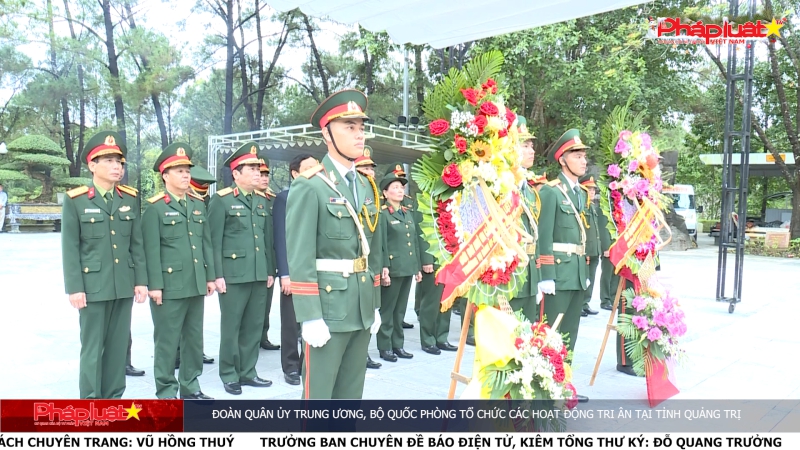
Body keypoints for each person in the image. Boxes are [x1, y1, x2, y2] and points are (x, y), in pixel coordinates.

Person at [285, 89, 383, 399]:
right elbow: (300, 255)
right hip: (328, 309)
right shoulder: (310, 185)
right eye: (349, 127)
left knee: (350, 398)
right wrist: (310, 315)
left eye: (361, 127)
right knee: (318, 399)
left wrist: (375, 302)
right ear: (327, 134)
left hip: (361, 306)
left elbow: (371, 249)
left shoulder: (365, 185)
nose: (359, 134)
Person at [61, 131, 147, 398]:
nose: (116, 167)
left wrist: (141, 281)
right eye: (108, 161)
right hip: (93, 287)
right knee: (93, 347)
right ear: (92, 165)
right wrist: (75, 288)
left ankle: (113, 400)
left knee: (118, 347)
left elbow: (136, 244)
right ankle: (90, 403)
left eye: (119, 162)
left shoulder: (129, 198)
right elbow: (70, 248)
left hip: (123, 285)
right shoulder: (76, 200)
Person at [142, 143, 216, 399]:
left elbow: (205, 243)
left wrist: (209, 276)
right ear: (165, 175)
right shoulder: (155, 208)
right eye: (179, 171)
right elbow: (150, 250)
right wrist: (154, 285)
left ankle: (190, 386)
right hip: (169, 286)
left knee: (194, 339)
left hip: (195, 282)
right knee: (167, 340)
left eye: (187, 171)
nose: (186, 175)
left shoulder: (197, 204)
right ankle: (165, 391)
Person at [208, 141, 275, 395]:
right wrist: (217, 275)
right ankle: (229, 374)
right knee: (232, 327)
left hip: (258, 273)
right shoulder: (222, 200)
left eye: (259, 169)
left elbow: (267, 240)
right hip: (233, 276)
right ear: (236, 174)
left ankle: (248, 371)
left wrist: (269, 270)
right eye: (252, 169)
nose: (258, 173)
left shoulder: (262, 200)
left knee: (254, 326)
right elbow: (213, 241)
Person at [537, 128, 590, 403]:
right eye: (577, 156)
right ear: (562, 160)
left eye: (584, 156)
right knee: (551, 334)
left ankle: (563, 383)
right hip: (558, 273)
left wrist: (585, 271)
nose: (583, 161)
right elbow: (543, 235)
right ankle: (546, 387)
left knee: (570, 333)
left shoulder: (580, 193)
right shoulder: (551, 192)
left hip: (577, 273)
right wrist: (546, 274)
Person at [274, 153, 318, 385]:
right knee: (291, 322)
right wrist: (285, 274)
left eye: (316, 166)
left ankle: (307, 363)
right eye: (308, 167)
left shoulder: (322, 194)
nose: (315, 171)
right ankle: (291, 366)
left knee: (314, 319)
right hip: (294, 271)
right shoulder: (285, 198)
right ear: (295, 173)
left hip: (317, 270)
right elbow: (281, 237)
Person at [377, 171, 421, 362]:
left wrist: (417, 267)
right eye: (395, 187)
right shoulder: (383, 214)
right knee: (388, 310)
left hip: (407, 267)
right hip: (393, 268)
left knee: (400, 310)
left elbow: (414, 241)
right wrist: (384, 267)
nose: (400, 190)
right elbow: (381, 243)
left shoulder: (406, 212)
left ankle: (398, 345)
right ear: (385, 193)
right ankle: (385, 346)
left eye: (401, 187)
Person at [510, 117, 542, 322]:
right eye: (525, 145)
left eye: (532, 146)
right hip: (509, 275)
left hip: (529, 273)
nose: (532, 151)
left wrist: (538, 278)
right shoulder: (501, 187)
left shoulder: (529, 190)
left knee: (527, 334)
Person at [354, 147, 382, 370]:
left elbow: (377, 237)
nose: (369, 172)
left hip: (371, 265)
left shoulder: (374, 197)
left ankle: (364, 353)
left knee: (371, 312)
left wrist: (380, 268)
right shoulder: (350, 193)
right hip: (353, 264)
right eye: (364, 168)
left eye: (371, 168)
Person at [415, 206, 456, 355]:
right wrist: (426, 259)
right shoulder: (428, 201)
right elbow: (421, 231)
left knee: (447, 300)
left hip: (451, 258)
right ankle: (428, 340)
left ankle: (441, 337)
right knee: (431, 302)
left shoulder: (453, 201)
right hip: (434, 260)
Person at [257, 158, 280, 352]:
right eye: (260, 174)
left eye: (266, 175)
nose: (264, 178)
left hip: (270, 258)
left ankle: (263, 336)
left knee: (266, 303)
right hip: (253, 259)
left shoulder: (273, 199)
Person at [579, 175, 600, 317]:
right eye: (589, 189)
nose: (592, 192)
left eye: (593, 190)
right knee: (584, 278)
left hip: (594, 249)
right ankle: (579, 304)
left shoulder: (592, 206)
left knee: (591, 278)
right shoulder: (581, 207)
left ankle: (586, 303)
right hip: (585, 249)